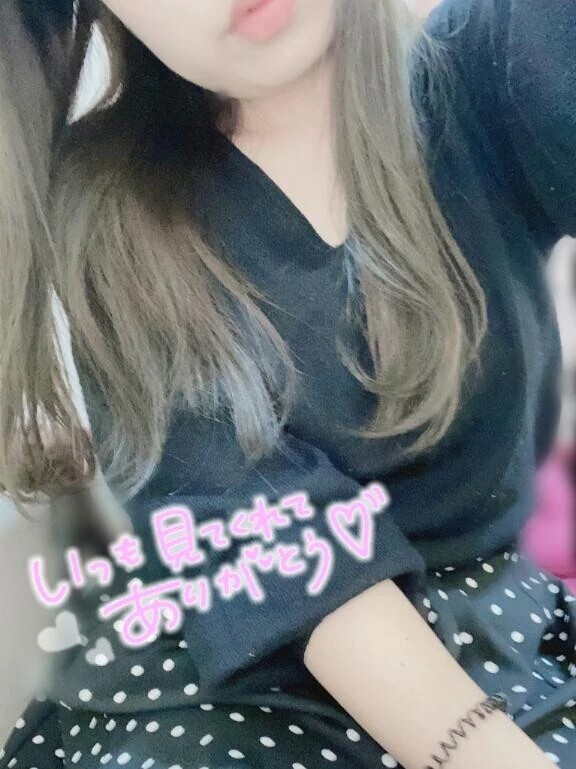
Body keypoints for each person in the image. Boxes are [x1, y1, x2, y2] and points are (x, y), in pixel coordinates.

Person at [0, 0, 575, 767]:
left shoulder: (495, 56)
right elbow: (274, 533)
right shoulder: (109, 203)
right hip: (243, 667)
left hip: (502, 628)